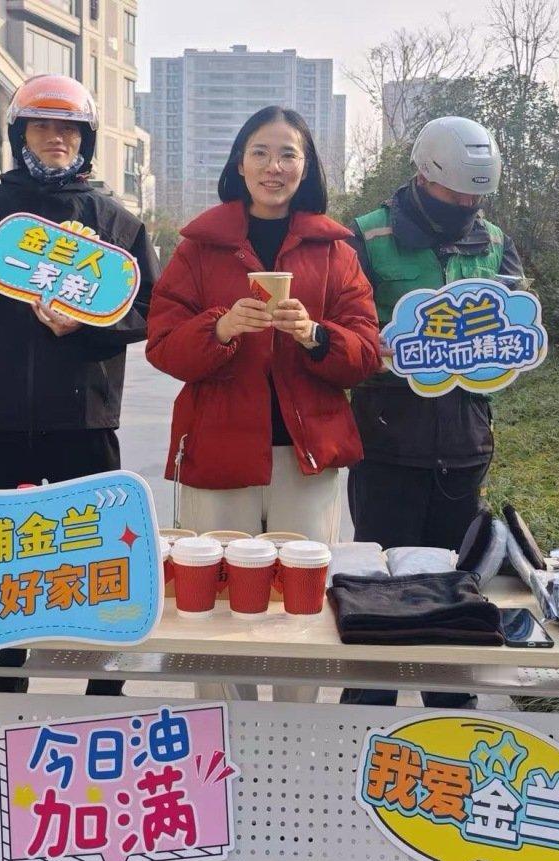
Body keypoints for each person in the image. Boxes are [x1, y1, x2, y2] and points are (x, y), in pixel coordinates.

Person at [0, 74, 160, 696]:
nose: (56, 139)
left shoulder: (117, 223)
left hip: (85, 417)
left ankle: (103, 697)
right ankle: (2, 697)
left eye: (69, 129)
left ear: (87, 139)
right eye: (42, 127)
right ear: (19, 135)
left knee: (98, 560)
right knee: (1, 564)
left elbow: (151, 313)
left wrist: (89, 324)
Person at [147, 106, 380, 702]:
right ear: (239, 164)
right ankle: (224, 735)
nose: (273, 167)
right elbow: (163, 345)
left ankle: (293, 736)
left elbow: (366, 352)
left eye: (287, 154)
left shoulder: (334, 250)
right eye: (260, 153)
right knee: (211, 604)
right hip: (218, 454)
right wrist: (220, 328)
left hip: (306, 461)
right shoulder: (200, 248)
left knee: (300, 608)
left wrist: (316, 336)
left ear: (306, 167)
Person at [341, 116, 524, 709]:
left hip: (465, 445)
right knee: (379, 589)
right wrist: (380, 349)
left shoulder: (493, 240)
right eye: (455, 194)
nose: (466, 205)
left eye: (476, 197)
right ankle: (365, 716)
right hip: (386, 445)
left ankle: (450, 716)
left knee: (452, 590)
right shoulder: (366, 237)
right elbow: (344, 329)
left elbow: (518, 320)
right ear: (424, 175)